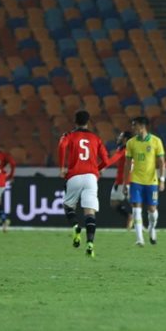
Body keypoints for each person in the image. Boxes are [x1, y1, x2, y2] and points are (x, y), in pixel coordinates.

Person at [57, 110, 110, 257]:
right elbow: (106, 161)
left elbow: (61, 146)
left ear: (75, 121)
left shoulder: (69, 135)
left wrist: (62, 168)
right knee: (90, 212)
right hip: (91, 178)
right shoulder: (96, 138)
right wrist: (96, 170)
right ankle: (90, 244)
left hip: (74, 175)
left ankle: (75, 226)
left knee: (68, 206)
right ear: (88, 122)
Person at [125, 116, 166, 247]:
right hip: (136, 180)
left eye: (134, 125)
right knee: (136, 208)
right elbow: (127, 164)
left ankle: (152, 228)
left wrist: (162, 179)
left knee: (152, 209)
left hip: (151, 181)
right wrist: (126, 182)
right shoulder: (131, 143)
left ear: (142, 126)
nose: (132, 127)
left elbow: (161, 162)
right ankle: (139, 239)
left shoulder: (156, 141)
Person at [108, 131, 132, 230]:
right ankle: (134, 220)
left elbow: (114, 159)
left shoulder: (124, 149)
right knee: (115, 202)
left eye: (121, 136)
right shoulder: (131, 149)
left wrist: (101, 167)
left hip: (123, 181)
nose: (118, 138)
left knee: (114, 203)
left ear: (125, 139)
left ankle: (131, 219)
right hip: (128, 180)